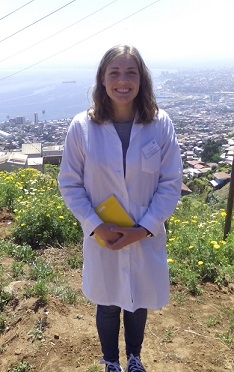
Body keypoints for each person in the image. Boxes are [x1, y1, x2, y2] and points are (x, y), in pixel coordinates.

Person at [58, 44, 182, 372]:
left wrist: (143, 228)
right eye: (114, 72)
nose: (122, 80)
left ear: (142, 80)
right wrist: (95, 225)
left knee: (138, 302)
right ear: (102, 79)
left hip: (145, 233)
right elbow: (69, 183)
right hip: (104, 235)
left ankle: (134, 358)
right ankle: (111, 361)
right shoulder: (82, 127)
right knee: (108, 302)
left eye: (131, 72)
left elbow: (170, 184)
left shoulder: (160, 124)